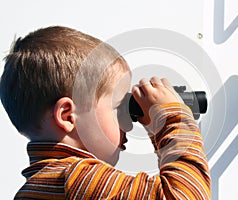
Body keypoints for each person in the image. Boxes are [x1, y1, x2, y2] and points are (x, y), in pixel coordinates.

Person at [0, 26, 211, 199]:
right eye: (118, 107)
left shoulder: (38, 187)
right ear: (67, 116)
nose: (129, 124)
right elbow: (185, 195)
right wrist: (171, 117)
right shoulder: (78, 179)